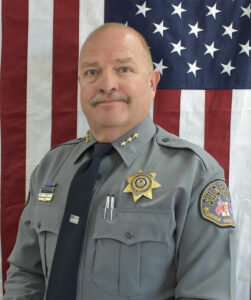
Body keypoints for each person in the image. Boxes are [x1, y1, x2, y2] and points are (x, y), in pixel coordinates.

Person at [4, 23, 235, 300]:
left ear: (151, 83)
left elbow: (206, 294)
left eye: (123, 69)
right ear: (81, 84)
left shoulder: (194, 174)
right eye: (92, 72)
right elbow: (26, 273)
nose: (107, 84)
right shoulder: (52, 167)